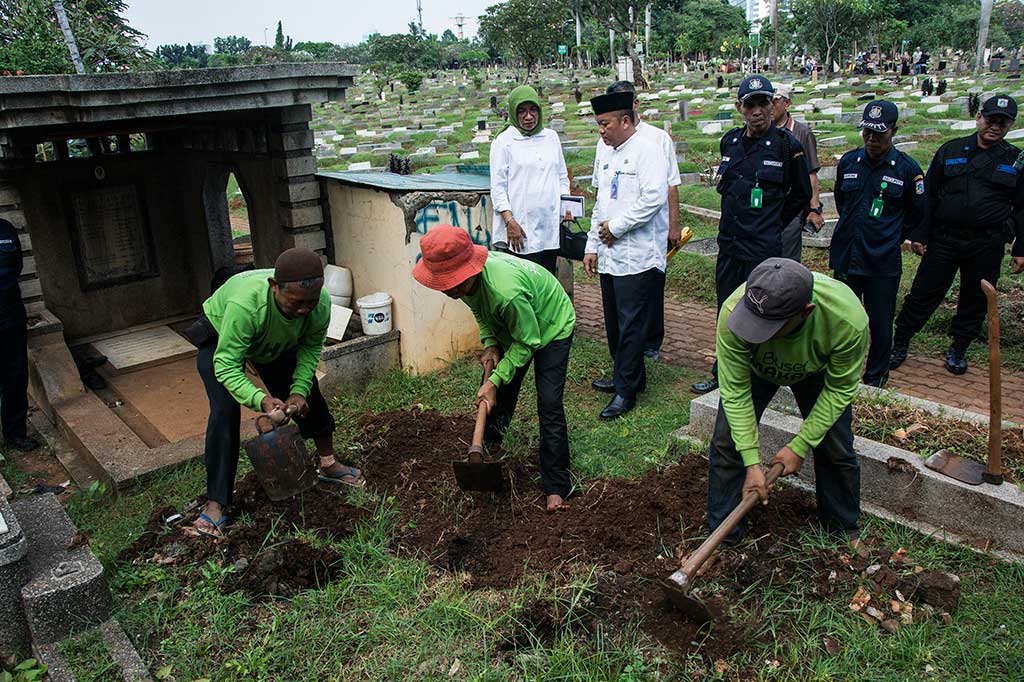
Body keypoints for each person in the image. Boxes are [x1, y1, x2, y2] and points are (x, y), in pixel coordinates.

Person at [192, 248, 364, 538]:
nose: (303, 310)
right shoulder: (246, 307)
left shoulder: (318, 305)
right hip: (222, 335)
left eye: (309, 303)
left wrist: (297, 393)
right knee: (224, 411)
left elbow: (309, 350)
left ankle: (328, 464)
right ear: (274, 287)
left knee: (310, 393)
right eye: (296, 302)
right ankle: (216, 503)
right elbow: (226, 366)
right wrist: (260, 398)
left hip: (271, 340)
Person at [413, 226, 575, 512]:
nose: (444, 288)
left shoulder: (505, 292)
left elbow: (528, 342)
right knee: (497, 392)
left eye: (446, 283)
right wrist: (490, 344)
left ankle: (556, 487)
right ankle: (487, 449)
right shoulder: (464, 284)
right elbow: (481, 310)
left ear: (465, 275)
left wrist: (494, 378)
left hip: (551, 324)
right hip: (518, 322)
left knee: (548, 403)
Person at [709, 259, 868, 544]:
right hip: (757, 369)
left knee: (836, 445)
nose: (755, 332)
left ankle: (842, 530)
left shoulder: (847, 321)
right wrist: (751, 462)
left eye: (767, 327)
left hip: (815, 368)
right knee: (727, 442)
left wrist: (801, 444)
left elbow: (840, 389)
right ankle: (723, 535)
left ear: (806, 312)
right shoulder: (734, 313)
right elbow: (734, 391)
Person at [691, 75, 813, 395]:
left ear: (773, 105)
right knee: (726, 312)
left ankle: (760, 378)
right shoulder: (730, 142)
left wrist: (772, 221)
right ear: (739, 108)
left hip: (763, 248)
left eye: (764, 103)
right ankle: (722, 373)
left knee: (763, 311)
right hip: (730, 244)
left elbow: (800, 195)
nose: (758, 111)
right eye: (751, 104)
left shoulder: (789, 146)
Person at [891, 95, 1024, 375]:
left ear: (1011, 125)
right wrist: (920, 234)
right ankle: (900, 341)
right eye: (990, 120)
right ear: (979, 118)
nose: (995, 127)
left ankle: (959, 347)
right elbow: (929, 196)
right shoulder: (950, 150)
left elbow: (1022, 207)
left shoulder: (1015, 159)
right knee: (924, 292)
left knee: (975, 298)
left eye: (1002, 122)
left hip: (986, 242)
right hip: (944, 238)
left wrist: (1020, 246)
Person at [583, 91, 669, 420]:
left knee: (632, 324)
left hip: (638, 255)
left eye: (605, 124)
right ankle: (627, 375)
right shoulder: (606, 154)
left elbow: (653, 199)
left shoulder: (649, 150)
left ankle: (626, 390)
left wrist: (617, 227)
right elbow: (601, 204)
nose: (601, 131)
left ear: (625, 120)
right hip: (610, 255)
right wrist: (592, 244)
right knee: (616, 323)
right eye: (598, 125)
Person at [831, 101, 925, 388]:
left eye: (879, 134)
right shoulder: (849, 162)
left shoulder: (907, 170)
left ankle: (875, 379)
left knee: (881, 323)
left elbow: (917, 213)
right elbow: (841, 201)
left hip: (881, 260)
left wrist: (890, 236)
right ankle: (840, 374)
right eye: (867, 133)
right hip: (848, 255)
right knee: (842, 321)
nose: (872, 140)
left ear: (894, 131)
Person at [601, 80, 683, 361]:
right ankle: (628, 357)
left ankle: (651, 342)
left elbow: (670, 186)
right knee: (623, 303)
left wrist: (673, 225)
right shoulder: (607, 140)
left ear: (634, 105)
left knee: (650, 290)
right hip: (615, 237)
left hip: (650, 229)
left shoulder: (655, 140)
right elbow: (604, 191)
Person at [489, 85, 572, 275]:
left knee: (547, 279)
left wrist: (567, 205)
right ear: (513, 112)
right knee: (524, 282)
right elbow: (498, 187)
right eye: (522, 111)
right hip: (520, 228)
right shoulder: (504, 141)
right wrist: (510, 222)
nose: (528, 117)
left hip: (549, 225)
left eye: (533, 109)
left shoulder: (550, 137)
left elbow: (561, 176)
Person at [772, 84, 824, 262]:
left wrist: (814, 209)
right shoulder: (762, 131)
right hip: (767, 207)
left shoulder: (802, 133)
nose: (770, 106)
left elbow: (811, 174)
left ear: (787, 103)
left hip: (792, 207)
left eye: (775, 101)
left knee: (787, 260)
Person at [0, 218, 37, 452]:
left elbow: (17, 267)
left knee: (15, 375)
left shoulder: (6, 229)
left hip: (10, 316)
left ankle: (15, 434)